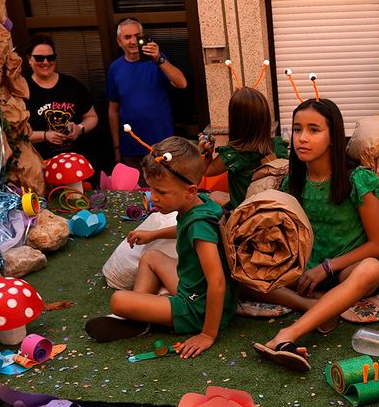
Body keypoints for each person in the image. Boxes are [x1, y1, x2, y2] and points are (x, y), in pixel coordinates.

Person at [250, 98, 379, 372]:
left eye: (314, 130)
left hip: (347, 270)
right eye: (298, 129)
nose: (303, 138)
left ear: (333, 137)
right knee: (242, 272)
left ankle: (287, 334)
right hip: (304, 273)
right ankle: (314, 307)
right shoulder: (293, 181)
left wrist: (327, 268)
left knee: (373, 269)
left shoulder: (358, 180)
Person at [84, 137, 233, 358]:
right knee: (152, 255)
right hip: (191, 289)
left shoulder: (199, 225)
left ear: (190, 191)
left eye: (161, 192)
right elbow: (185, 231)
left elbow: (217, 281)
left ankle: (138, 317)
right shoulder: (199, 204)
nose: (153, 198)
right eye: (151, 189)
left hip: (196, 309)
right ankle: (138, 320)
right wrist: (153, 234)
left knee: (118, 300)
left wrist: (208, 334)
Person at [106, 18, 187, 167]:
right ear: (119, 41)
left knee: (164, 188)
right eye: (127, 37)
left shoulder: (157, 60)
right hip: (131, 147)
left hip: (162, 146)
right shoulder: (115, 68)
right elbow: (113, 109)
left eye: (137, 36)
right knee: (136, 190)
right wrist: (116, 147)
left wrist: (158, 58)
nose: (133, 41)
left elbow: (181, 83)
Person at [204, 87, 289, 209]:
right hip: (275, 208)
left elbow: (206, 172)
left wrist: (207, 151)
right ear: (265, 118)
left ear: (235, 121)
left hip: (245, 214)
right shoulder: (278, 147)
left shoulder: (232, 155)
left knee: (212, 196)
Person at [24, 35, 100, 161]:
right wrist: (44, 135)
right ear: (29, 59)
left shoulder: (72, 84)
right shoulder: (22, 90)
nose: (45, 62)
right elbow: (16, 133)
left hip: (76, 161)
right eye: (39, 58)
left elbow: (92, 117)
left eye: (51, 57)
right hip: (40, 164)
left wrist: (79, 128)